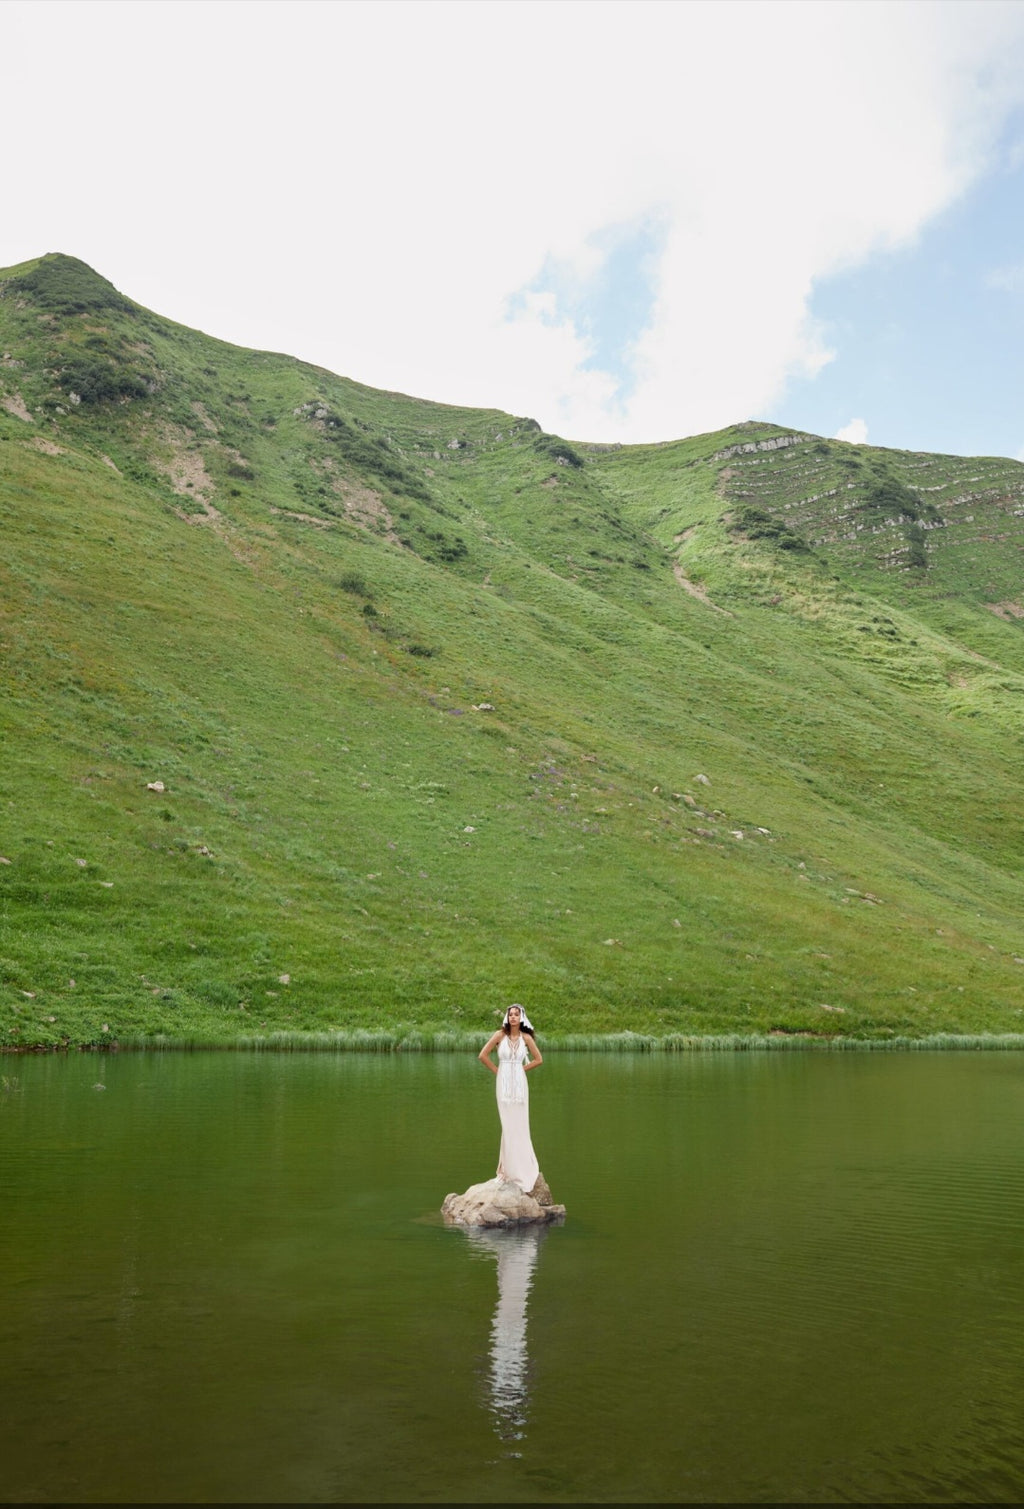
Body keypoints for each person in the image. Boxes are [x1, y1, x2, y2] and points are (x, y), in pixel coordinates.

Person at [478, 1004, 543, 1193]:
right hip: (503, 1085)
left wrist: (521, 1069)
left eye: (516, 1014)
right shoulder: (500, 1035)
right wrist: (497, 1070)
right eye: (511, 1014)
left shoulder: (526, 1038)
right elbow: (482, 1055)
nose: (513, 1017)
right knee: (507, 1126)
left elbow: (539, 1059)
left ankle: (523, 1169)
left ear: (521, 1018)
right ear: (507, 1018)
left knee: (520, 1124)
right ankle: (507, 1170)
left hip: (520, 1086)